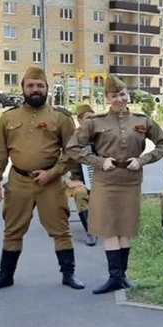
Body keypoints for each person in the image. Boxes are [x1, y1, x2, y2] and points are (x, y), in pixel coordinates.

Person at [0, 67, 85, 292]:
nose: (35, 89)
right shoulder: (9, 118)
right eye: (31, 85)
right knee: (12, 230)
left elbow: (72, 152)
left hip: (51, 182)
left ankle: (69, 274)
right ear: (23, 88)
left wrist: (53, 172)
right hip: (19, 182)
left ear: (47, 89)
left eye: (40, 85)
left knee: (61, 229)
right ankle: (5, 276)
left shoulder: (60, 118)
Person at [68, 76, 163, 294]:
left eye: (122, 94)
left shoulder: (142, 120)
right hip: (106, 181)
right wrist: (98, 161)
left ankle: (122, 276)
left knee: (125, 227)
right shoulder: (95, 122)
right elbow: (73, 148)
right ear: (107, 98)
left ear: (128, 94)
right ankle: (113, 277)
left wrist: (142, 159)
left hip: (131, 180)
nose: (119, 99)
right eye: (114, 96)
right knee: (109, 228)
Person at [65, 104, 97, 247]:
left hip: (101, 179)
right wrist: (67, 181)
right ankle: (91, 231)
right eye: (88, 118)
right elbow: (59, 165)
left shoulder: (100, 136)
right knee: (80, 192)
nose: (92, 121)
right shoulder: (73, 140)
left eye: (93, 118)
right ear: (79, 121)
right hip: (77, 180)